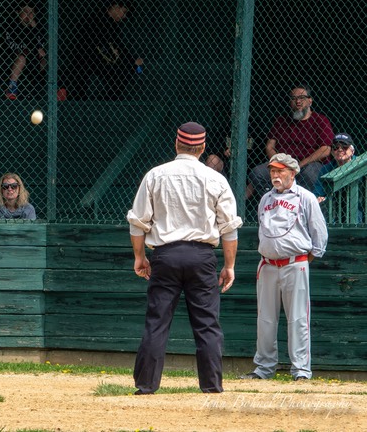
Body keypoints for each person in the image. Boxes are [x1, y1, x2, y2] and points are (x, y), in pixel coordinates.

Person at [126, 122, 243, 395]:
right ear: (202, 148)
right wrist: (229, 266)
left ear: (176, 144)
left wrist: (140, 258)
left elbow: (137, 222)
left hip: (165, 256)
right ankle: (212, 386)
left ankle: (146, 385)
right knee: (207, 323)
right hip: (202, 257)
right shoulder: (216, 179)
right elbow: (229, 228)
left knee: (157, 321)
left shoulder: (155, 175)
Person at [240, 153, 328, 381]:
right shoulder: (265, 199)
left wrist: (306, 259)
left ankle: (301, 371)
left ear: (292, 172)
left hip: (295, 264)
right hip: (267, 265)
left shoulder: (306, 197)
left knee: (298, 319)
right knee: (265, 320)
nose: (275, 175)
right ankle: (263, 369)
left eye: (280, 171)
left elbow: (319, 234)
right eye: (272, 171)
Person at [247, 84, 334, 198]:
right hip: (283, 164)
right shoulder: (281, 121)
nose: (298, 101)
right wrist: (281, 162)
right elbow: (269, 147)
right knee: (257, 173)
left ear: (310, 101)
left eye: (302, 98)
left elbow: (326, 149)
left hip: (308, 164)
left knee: (310, 174)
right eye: (294, 98)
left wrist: (299, 165)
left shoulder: (320, 120)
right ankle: (275, 202)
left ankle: (302, 205)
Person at [64, 0, 143, 100]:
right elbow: (105, 46)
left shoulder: (111, 24)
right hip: (86, 58)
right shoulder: (97, 20)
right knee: (123, 69)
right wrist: (126, 59)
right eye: (123, 12)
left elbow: (117, 45)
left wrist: (130, 60)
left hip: (100, 59)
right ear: (117, 8)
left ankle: (107, 101)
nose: (124, 17)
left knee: (130, 69)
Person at [4, 2, 47, 100]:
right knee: (21, 58)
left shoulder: (38, 29)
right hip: (18, 60)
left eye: (31, 12)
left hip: (35, 60)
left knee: (47, 59)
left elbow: (42, 46)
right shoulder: (13, 27)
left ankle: (57, 90)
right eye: (25, 11)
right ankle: (12, 88)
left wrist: (34, 27)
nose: (28, 15)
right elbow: (13, 47)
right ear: (18, 12)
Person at [314, 133, 358, 203]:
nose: (340, 150)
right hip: (333, 206)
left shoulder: (359, 164)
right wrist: (319, 198)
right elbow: (317, 193)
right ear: (332, 152)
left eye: (344, 147)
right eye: (336, 147)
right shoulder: (326, 169)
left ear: (352, 151)